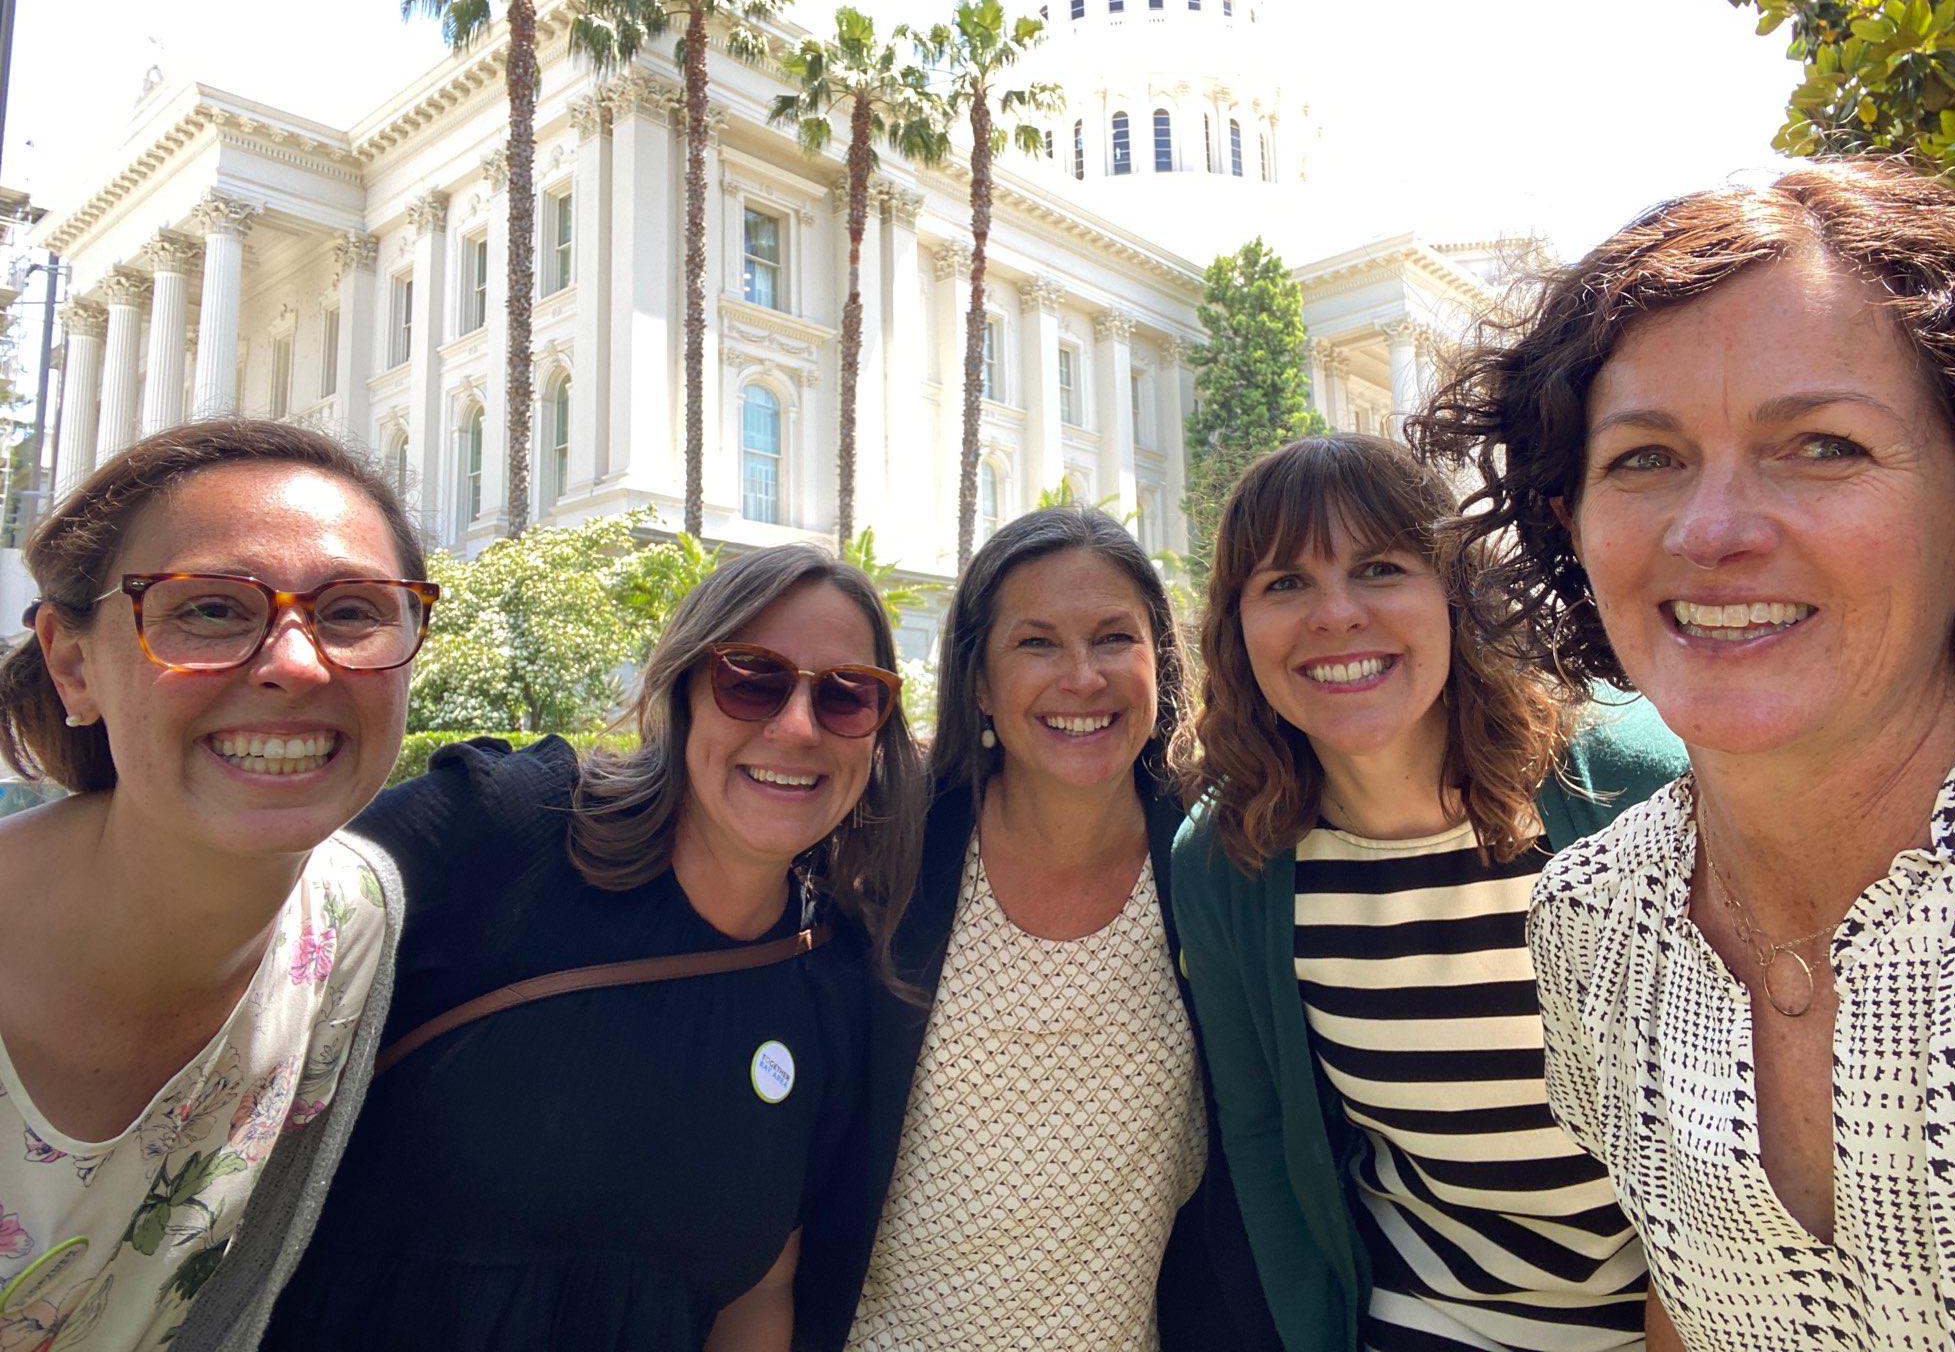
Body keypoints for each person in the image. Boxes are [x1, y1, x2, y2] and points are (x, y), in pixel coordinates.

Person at [1409, 159, 1955, 1350]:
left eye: (1819, 446)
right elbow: (1683, 1302)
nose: (1708, 533)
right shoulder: (1588, 920)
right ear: (1578, 537)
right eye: (1643, 458)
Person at [265, 542, 923, 1352]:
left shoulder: (830, 980)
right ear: (684, 689)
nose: (795, 727)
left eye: (849, 697)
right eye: (750, 679)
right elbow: (250, 925)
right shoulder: (510, 831)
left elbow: (761, 1290)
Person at [1170, 432, 1686, 1352]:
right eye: (1284, 582)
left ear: (1457, 595)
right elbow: (1260, 1137)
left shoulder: (1632, 781)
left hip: (1679, 1316)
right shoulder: (1228, 858)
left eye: (1377, 567)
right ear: (1238, 629)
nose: (1335, 615)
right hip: (1426, 1316)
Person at [0, 419, 433, 1352]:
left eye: (353, 610)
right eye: (208, 609)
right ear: (74, 664)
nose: (295, 663)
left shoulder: (353, 919)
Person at [801, 505, 1275, 1352]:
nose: (1083, 678)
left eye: (1113, 638)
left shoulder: (1216, 862)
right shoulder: (887, 853)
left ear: (1159, 664)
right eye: (1037, 643)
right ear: (979, 679)